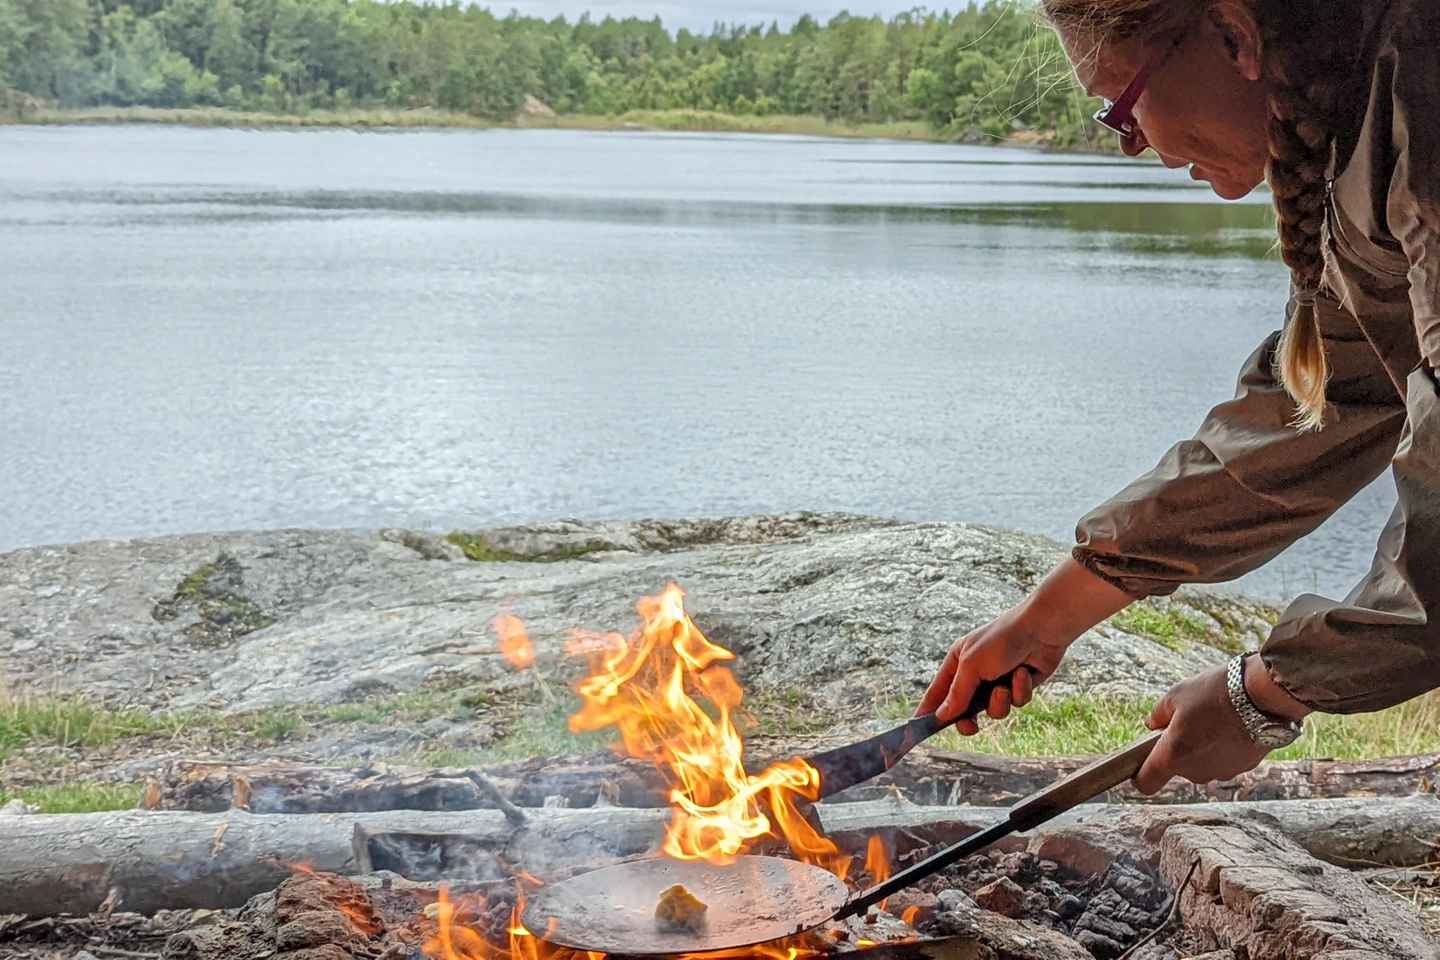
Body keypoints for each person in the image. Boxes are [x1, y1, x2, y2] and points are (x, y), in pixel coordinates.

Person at [918, 0, 1440, 794]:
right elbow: (1324, 404)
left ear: (1234, 36)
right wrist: (1049, 617)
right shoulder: (1361, 125)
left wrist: (1262, 696)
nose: (1137, 147)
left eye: (1123, 109)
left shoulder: (1422, 117)